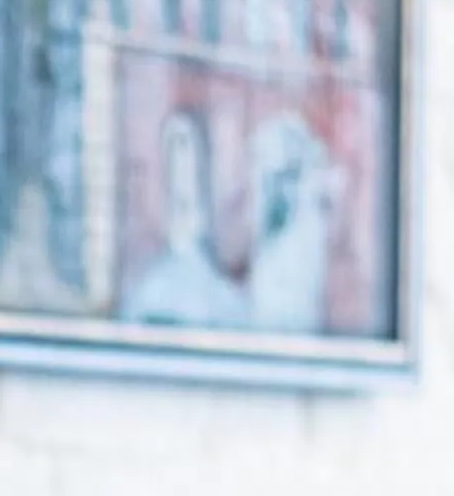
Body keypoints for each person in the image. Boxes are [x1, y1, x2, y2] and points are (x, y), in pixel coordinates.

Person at [121, 110, 245, 330]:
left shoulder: (225, 301)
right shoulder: (148, 294)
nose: (183, 167)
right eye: (176, 145)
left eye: (187, 145)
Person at [245, 111, 336, 335]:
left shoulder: (311, 235)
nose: (280, 190)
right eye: (271, 179)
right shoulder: (261, 241)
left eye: (288, 176)